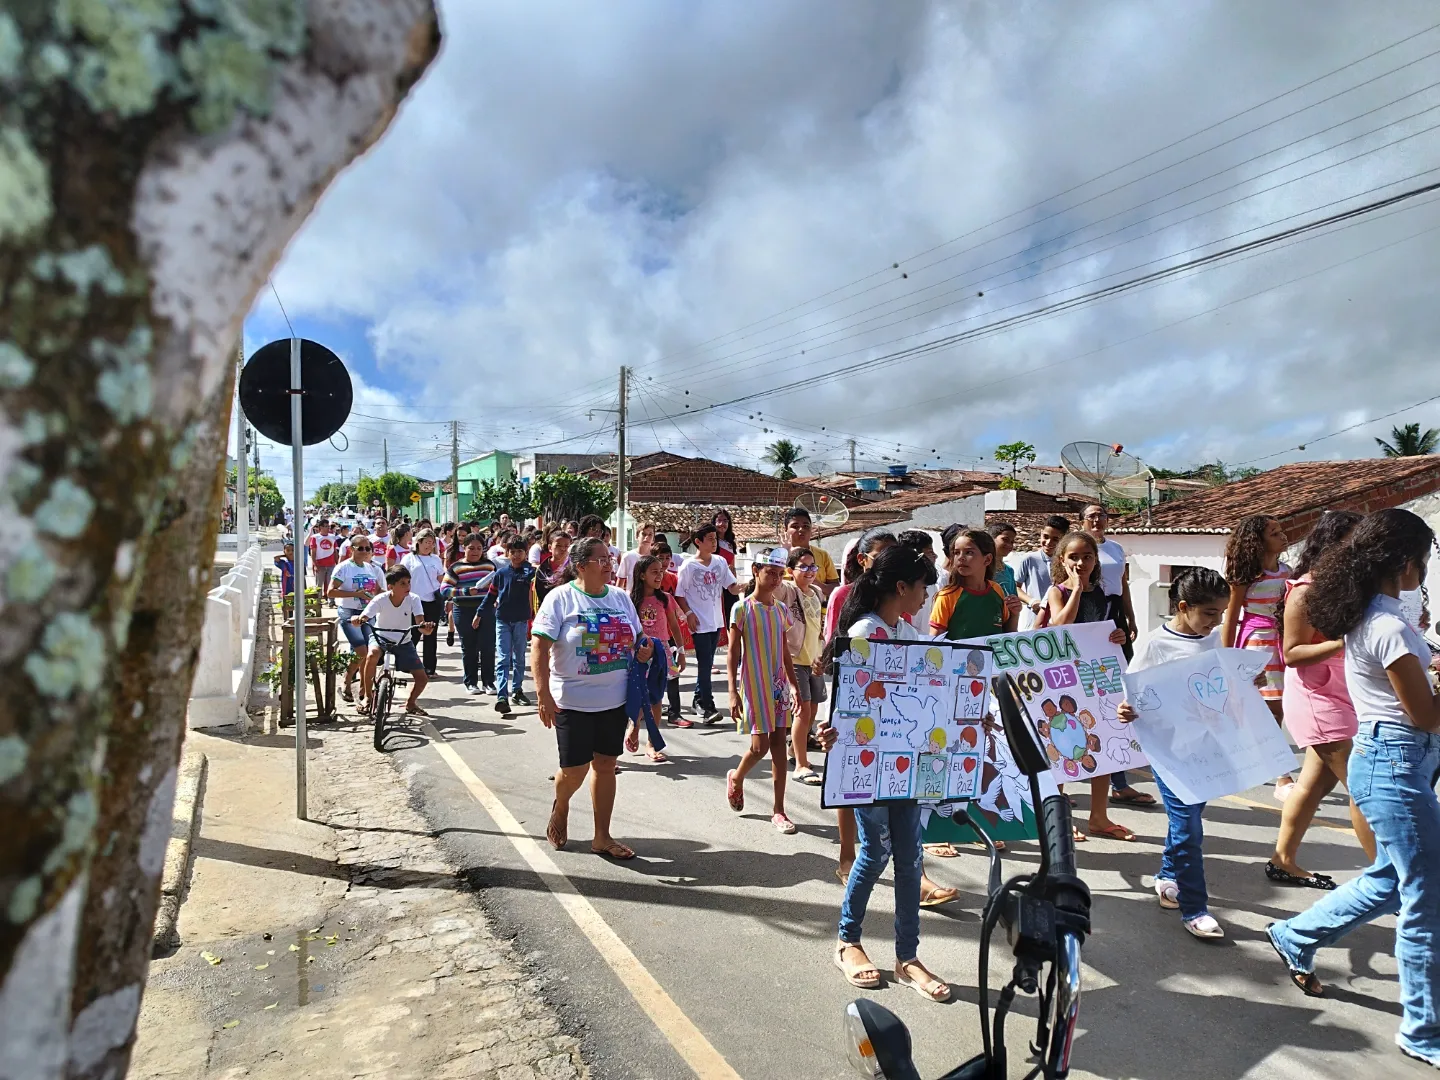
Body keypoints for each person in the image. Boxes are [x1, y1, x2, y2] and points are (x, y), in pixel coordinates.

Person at [1265, 509, 1440, 1070]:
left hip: (1394, 758)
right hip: (1394, 762)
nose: (1424, 571)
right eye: (1425, 561)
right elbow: (1426, 715)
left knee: (1393, 879)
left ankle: (1295, 934)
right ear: (1406, 563)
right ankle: (1422, 1030)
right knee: (1426, 896)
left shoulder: (1379, 617)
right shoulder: (1387, 626)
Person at [824, 545, 954, 1002]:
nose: (926, 597)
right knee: (875, 853)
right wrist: (832, 729)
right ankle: (848, 941)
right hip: (872, 764)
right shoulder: (866, 632)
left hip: (907, 763)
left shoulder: (902, 631)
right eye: (921, 588)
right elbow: (849, 698)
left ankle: (907, 957)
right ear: (901, 588)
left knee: (910, 858)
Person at [1117, 568, 1233, 940]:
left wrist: (1245, 680)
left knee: (1189, 819)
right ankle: (1195, 909)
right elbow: (1133, 690)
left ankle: (1168, 875)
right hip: (1169, 750)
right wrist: (1127, 709)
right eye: (1210, 613)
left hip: (1206, 747)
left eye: (1221, 613)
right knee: (1188, 828)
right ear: (1183, 607)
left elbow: (1220, 686)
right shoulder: (1156, 644)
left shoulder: (1213, 640)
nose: (1216, 621)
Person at [1269, 510, 1377, 886]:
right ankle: (1391, 880)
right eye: (1352, 542)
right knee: (1366, 790)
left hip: (1343, 694)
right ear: (1329, 545)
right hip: (1317, 700)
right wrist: (1343, 643)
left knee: (1313, 786)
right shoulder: (1305, 590)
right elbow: (1292, 653)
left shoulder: (1349, 587)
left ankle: (1283, 861)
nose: (1359, 550)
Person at [531, 537, 654, 860]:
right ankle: (561, 805)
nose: (608, 564)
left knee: (606, 765)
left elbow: (639, 637)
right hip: (572, 701)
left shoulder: (620, 597)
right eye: (601, 559)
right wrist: (542, 694)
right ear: (581, 566)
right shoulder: (560, 598)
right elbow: (539, 647)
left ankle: (602, 837)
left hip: (614, 700)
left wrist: (645, 648)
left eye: (609, 558)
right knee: (574, 770)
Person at [1046, 530, 1133, 842]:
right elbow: (1061, 624)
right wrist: (1077, 590)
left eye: (1087, 557)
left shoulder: (1104, 594)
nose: (1081, 563)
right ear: (1062, 560)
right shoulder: (1057, 591)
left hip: (1095, 678)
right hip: (1063, 679)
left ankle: (1099, 816)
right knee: (1061, 744)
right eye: (1074, 557)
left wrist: (1118, 637)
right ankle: (1058, 817)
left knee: (1101, 742)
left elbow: (1107, 631)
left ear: (1096, 561)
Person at [726, 547, 799, 833]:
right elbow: (733, 652)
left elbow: (785, 652)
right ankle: (737, 776)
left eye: (780, 574)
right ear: (756, 571)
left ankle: (779, 810)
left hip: (778, 685)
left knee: (779, 745)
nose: (776, 579)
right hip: (754, 684)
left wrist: (793, 685)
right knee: (760, 747)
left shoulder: (781, 610)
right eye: (770, 572)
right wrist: (732, 691)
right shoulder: (742, 608)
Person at [1223, 514, 1295, 799]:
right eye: (1274, 533)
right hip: (1258, 644)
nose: (1282, 536)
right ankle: (1282, 775)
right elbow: (1231, 619)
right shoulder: (1246, 575)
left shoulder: (1287, 571)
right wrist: (1226, 657)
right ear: (1258, 542)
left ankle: (1265, 763)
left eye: (1281, 531)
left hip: (1283, 641)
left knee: (1277, 710)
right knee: (1268, 710)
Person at [1081, 504, 1149, 805]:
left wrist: (1130, 617)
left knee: (1117, 696)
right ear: (1082, 521)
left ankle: (1119, 782)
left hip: (1114, 617)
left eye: (1102, 516)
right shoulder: (1077, 547)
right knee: (1089, 697)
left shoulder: (1116, 549)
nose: (1097, 520)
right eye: (1091, 516)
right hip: (1088, 617)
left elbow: (1122, 585)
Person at [674, 522, 740, 722]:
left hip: (716, 621)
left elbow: (732, 587)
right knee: (704, 665)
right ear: (698, 542)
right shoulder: (689, 566)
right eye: (710, 539)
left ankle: (698, 700)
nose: (714, 542)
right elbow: (679, 594)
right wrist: (688, 613)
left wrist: (753, 584)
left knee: (707, 663)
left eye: (715, 538)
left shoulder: (720, 562)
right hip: (699, 623)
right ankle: (708, 706)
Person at [353, 565, 434, 715]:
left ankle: (411, 704)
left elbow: (420, 623)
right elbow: (365, 616)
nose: (407, 586)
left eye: (408, 582)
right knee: (372, 655)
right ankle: (368, 697)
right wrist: (358, 620)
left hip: (404, 640)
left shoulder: (414, 599)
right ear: (390, 586)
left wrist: (426, 629)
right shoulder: (380, 599)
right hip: (380, 637)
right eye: (402, 583)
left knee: (422, 678)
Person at [629, 555, 683, 762]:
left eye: (661, 571)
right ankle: (634, 726)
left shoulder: (665, 599)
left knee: (656, 699)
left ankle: (652, 744)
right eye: (654, 572)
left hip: (661, 655)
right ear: (642, 575)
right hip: (638, 655)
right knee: (636, 696)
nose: (659, 575)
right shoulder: (630, 600)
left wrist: (681, 651)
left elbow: (674, 626)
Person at [779, 547, 826, 785]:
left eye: (813, 566)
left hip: (814, 659)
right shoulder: (788, 590)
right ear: (790, 570)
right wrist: (783, 553)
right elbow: (774, 586)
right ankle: (801, 764)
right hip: (794, 659)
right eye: (803, 567)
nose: (809, 571)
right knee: (802, 710)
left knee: (813, 709)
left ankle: (794, 748)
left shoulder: (817, 592)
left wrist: (822, 653)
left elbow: (820, 625)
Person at [327, 535, 383, 703]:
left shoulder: (370, 568)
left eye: (368, 548)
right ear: (351, 549)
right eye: (361, 548)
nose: (365, 551)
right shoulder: (343, 568)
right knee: (361, 651)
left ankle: (364, 689)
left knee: (370, 653)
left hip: (367, 612)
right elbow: (330, 592)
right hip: (349, 613)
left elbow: (378, 590)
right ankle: (347, 679)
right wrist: (355, 594)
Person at [442, 533, 499, 695]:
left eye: (479, 548)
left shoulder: (489, 566)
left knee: (488, 647)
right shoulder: (456, 567)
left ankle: (489, 682)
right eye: (471, 548)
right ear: (464, 548)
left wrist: (496, 598)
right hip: (464, 610)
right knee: (469, 647)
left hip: (486, 610)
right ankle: (471, 682)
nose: (475, 552)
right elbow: (445, 590)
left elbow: (498, 585)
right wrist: (466, 591)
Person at [492, 537, 537, 714]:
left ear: (526, 553)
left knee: (519, 658)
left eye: (520, 551)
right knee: (503, 658)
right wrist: (480, 613)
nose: (516, 555)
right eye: (513, 551)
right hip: (502, 620)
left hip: (521, 620)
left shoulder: (530, 572)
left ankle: (517, 690)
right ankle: (502, 696)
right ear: (507, 553)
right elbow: (491, 595)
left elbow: (536, 588)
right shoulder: (501, 573)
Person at [651, 540, 690, 725]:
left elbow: (679, 603)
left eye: (668, 558)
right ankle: (644, 710)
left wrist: (688, 615)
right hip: (650, 636)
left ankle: (675, 712)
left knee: (673, 674)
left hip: (670, 635)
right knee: (649, 675)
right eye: (661, 558)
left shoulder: (673, 579)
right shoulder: (644, 581)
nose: (665, 562)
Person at [401, 529, 447, 677]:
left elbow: (440, 577)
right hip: (413, 600)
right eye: (426, 542)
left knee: (430, 635)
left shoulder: (436, 559)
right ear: (418, 543)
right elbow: (401, 577)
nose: (429, 545)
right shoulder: (409, 559)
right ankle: (407, 663)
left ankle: (429, 667)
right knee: (413, 633)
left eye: (431, 543)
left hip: (432, 600)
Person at [1015, 516, 1069, 630]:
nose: (1049, 542)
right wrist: (1031, 601)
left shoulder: (1067, 563)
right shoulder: (1029, 559)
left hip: (1059, 621)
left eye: (1055, 539)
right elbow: (1015, 587)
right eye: (1045, 537)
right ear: (1041, 533)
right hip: (1032, 621)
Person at [784, 507, 839, 598]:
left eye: (806, 526)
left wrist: (817, 584)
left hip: (818, 606)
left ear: (811, 530)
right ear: (785, 530)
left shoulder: (823, 555)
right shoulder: (777, 557)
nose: (801, 530)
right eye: (795, 526)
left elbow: (836, 588)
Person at [536, 528, 571, 606]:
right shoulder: (542, 570)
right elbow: (541, 594)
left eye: (566, 546)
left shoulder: (573, 568)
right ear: (550, 548)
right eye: (558, 545)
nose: (563, 549)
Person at [617, 522, 656, 590]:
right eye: (644, 534)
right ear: (637, 536)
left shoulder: (656, 557)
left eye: (650, 534)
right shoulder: (628, 556)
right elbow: (620, 582)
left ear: (653, 539)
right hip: (632, 595)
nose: (647, 537)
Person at [988, 521, 1019, 598]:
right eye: (1005, 539)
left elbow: (1013, 596)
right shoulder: (983, 568)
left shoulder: (1009, 570)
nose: (1009, 545)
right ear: (991, 539)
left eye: (1012, 542)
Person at [307, 519, 337, 596]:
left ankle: (331, 600)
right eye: (325, 526)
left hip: (331, 564)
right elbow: (313, 552)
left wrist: (337, 563)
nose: (328, 528)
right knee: (319, 585)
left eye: (328, 526)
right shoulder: (315, 537)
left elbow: (335, 551)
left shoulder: (332, 537)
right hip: (320, 564)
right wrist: (315, 564)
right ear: (320, 527)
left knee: (331, 584)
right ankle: (318, 600)